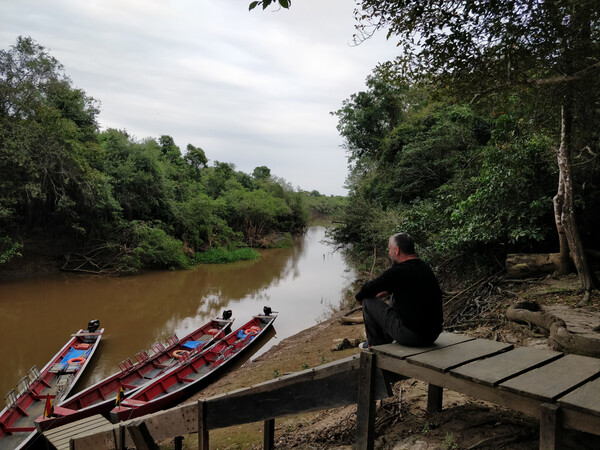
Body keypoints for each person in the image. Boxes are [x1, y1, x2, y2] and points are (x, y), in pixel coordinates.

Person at [355, 232, 443, 348]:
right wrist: (380, 295)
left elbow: (366, 290)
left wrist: (359, 299)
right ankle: (386, 337)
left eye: (390, 249)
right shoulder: (424, 267)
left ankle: (376, 345)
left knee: (367, 300)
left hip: (412, 337)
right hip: (431, 335)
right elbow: (394, 287)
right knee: (394, 293)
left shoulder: (397, 271)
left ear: (396, 250)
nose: (389, 252)